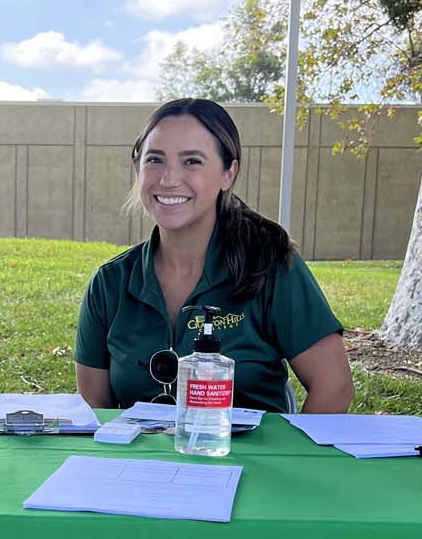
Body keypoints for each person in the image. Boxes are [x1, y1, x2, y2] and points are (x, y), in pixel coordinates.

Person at [75, 98, 354, 413]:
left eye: (191, 161)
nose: (168, 178)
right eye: (155, 160)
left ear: (228, 173)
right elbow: (95, 408)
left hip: (252, 461)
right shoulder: (109, 284)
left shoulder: (270, 266)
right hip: (142, 462)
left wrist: (289, 461)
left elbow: (334, 386)